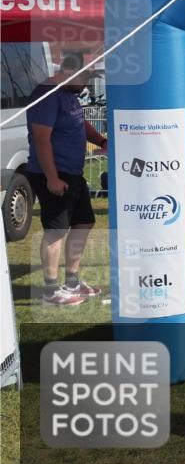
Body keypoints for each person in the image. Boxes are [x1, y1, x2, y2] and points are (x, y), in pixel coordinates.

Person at [25, 53, 108, 306]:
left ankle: (72, 281)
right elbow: (41, 139)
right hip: (52, 173)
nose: (86, 84)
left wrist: (103, 141)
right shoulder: (47, 94)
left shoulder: (70, 95)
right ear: (69, 70)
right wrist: (51, 178)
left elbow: (80, 125)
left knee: (83, 223)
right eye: (85, 77)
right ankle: (51, 291)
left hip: (73, 173)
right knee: (56, 230)